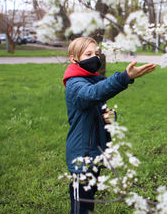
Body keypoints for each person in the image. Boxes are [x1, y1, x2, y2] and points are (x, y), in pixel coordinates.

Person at [62, 37, 156, 214]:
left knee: (89, 200)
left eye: (96, 53)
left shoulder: (92, 79)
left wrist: (110, 116)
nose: (95, 57)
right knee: (80, 204)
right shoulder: (75, 84)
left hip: (94, 149)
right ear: (73, 59)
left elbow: (99, 104)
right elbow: (93, 94)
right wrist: (125, 77)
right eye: (88, 54)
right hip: (82, 154)